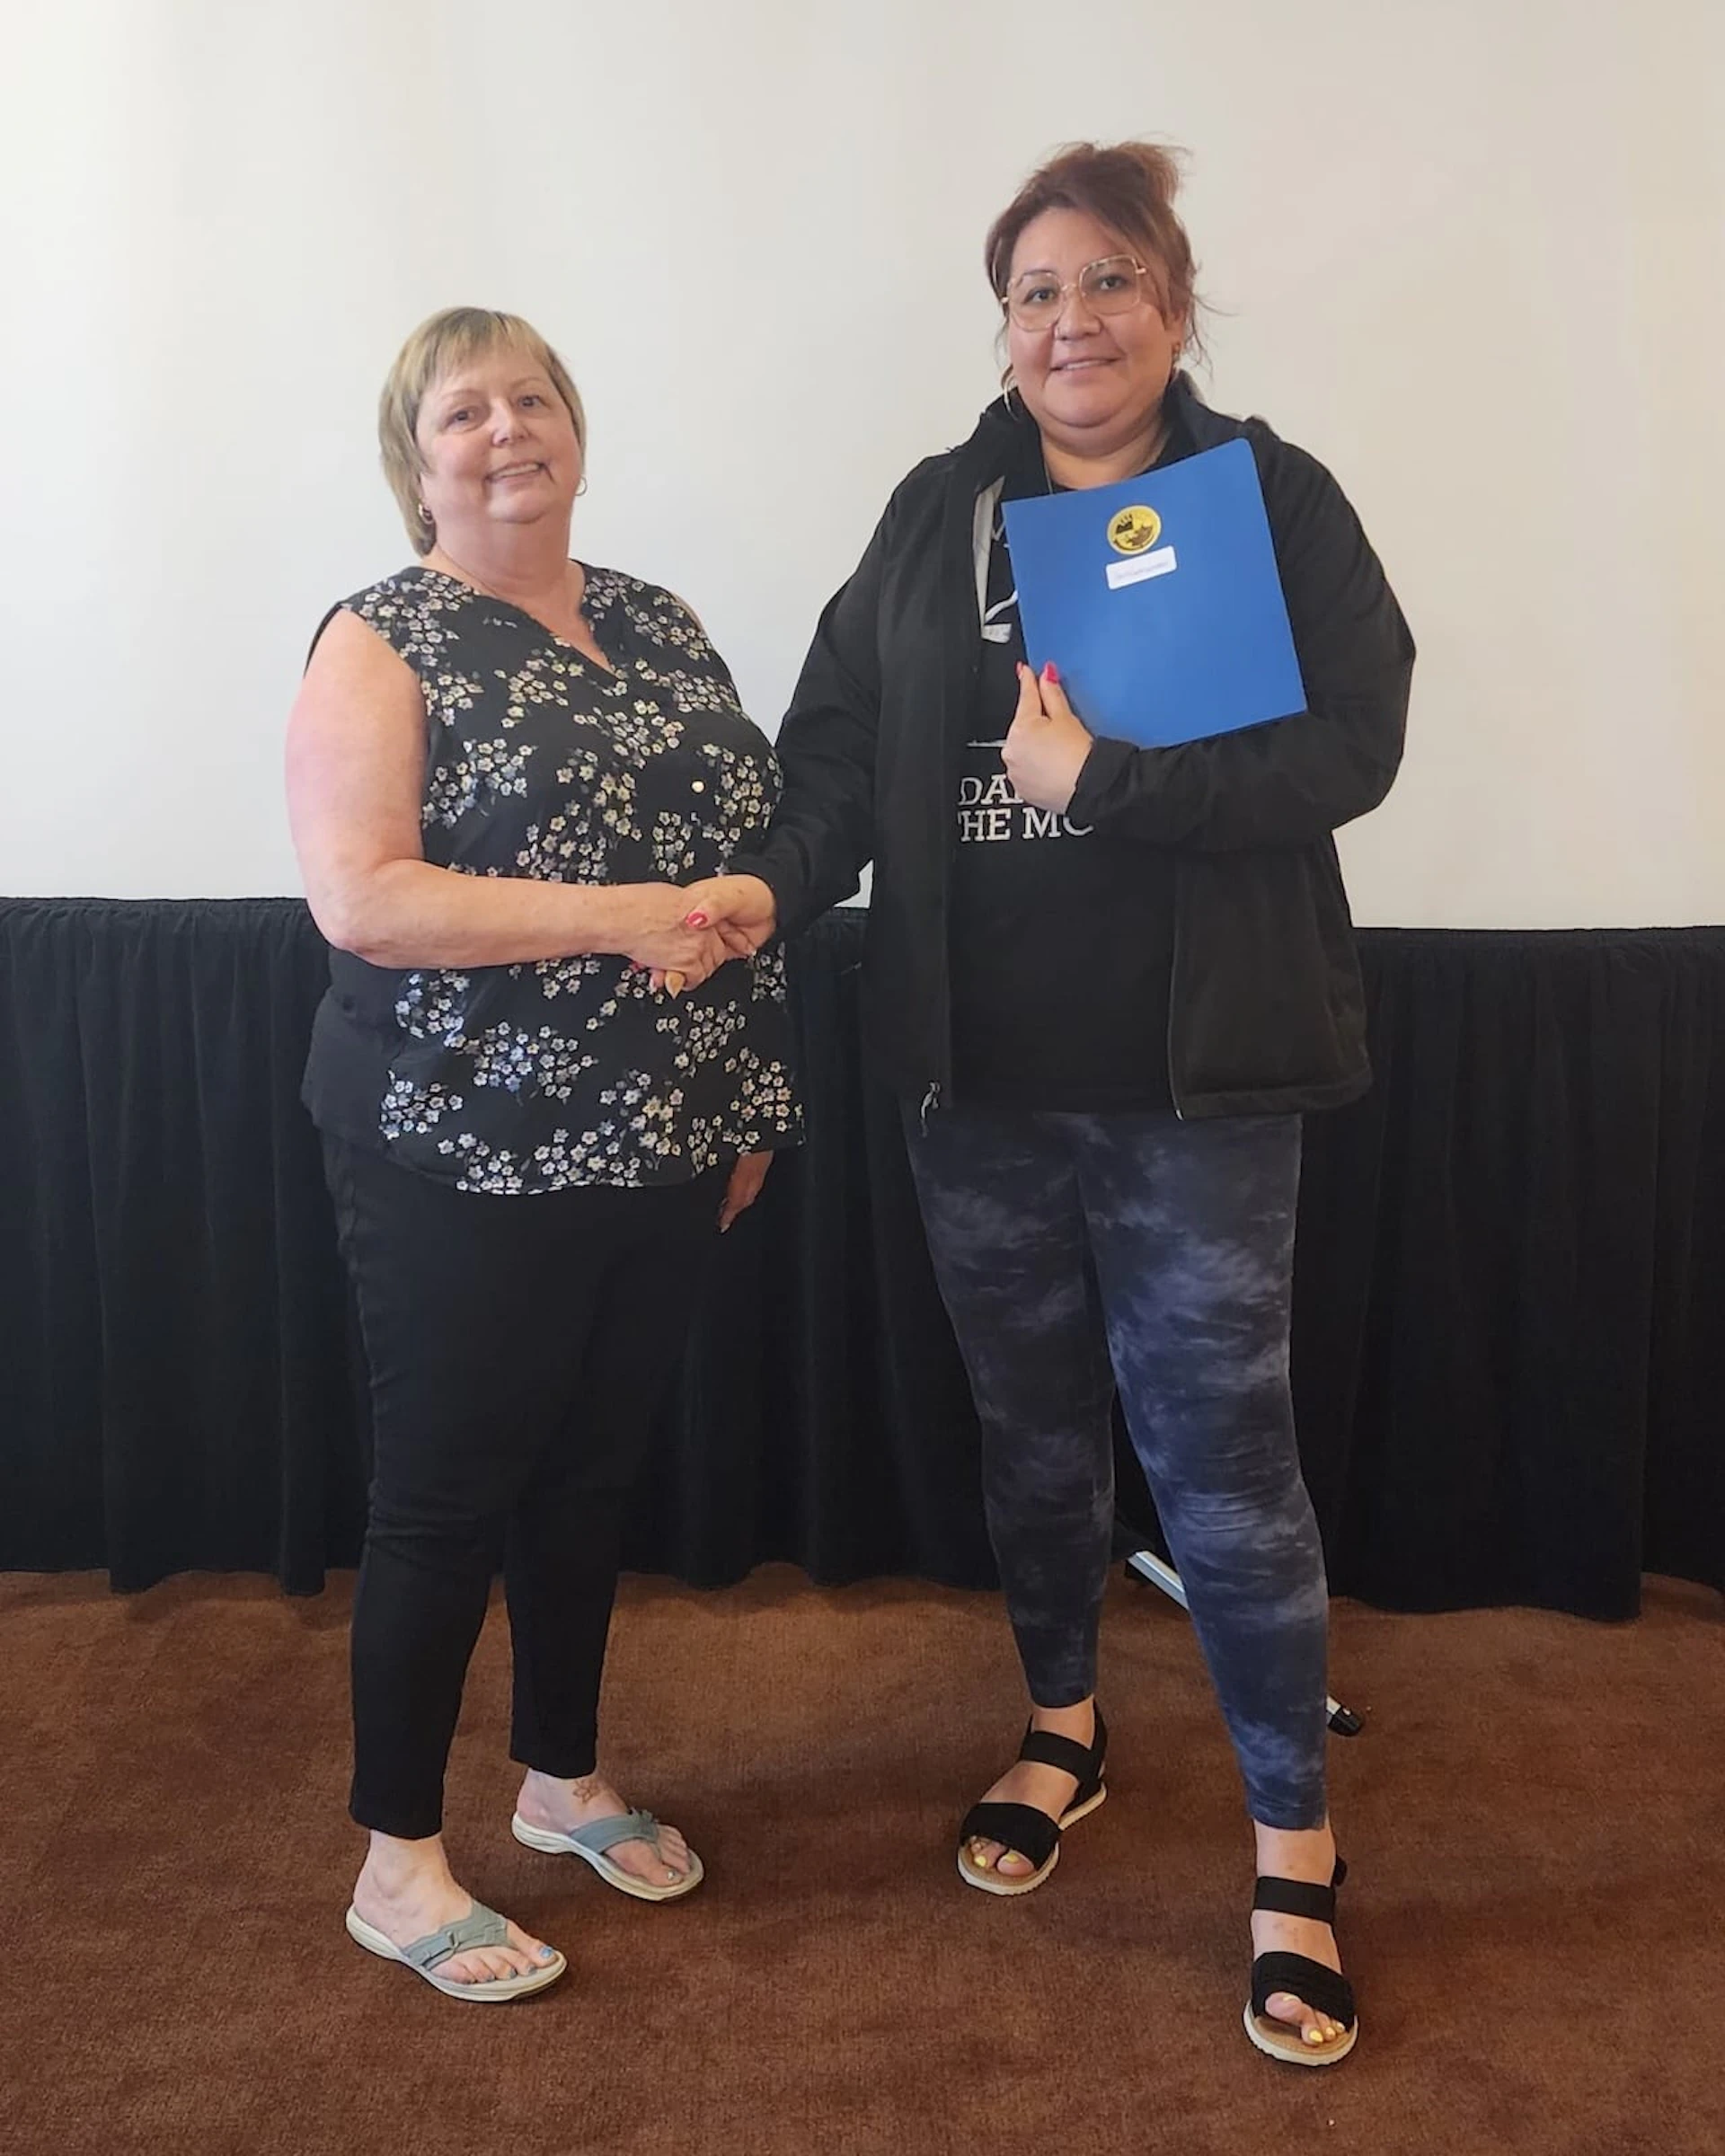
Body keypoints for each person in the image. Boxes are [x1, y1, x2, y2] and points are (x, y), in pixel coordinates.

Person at [689, 142, 1413, 2065]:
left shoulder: (1267, 500)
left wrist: (1115, 789)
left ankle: (1294, 1852)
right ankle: (1064, 1727)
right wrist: (768, 884)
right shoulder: (941, 515)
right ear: (1001, 327)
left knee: (1228, 1468)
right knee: (1029, 1439)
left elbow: (1357, 744)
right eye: (1035, 292)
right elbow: (838, 748)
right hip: (976, 1083)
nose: (1071, 321)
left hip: (1199, 1087)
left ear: (1172, 303)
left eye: (1108, 282)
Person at [286, 305, 799, 2001]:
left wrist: (750, 1099)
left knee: (588, 1476)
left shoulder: (658, 619)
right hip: (455, 1145)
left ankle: (562, 1778)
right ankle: (397, 1863)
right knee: (445, 1501)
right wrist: (617, 916)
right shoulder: (382, 635)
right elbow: (364, 896)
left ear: (575, 427)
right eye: (464, 411)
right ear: (415, 460)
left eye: (533, 397)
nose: (507, 429)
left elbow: (736, 870)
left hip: (661, 1136)